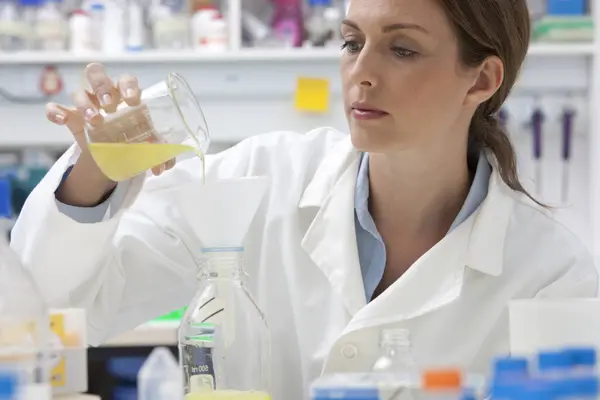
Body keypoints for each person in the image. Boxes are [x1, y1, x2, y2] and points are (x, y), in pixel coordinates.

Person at [11, 0, 598, 398]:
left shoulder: (551, 273)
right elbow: (56, 312)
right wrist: (95, 170)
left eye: (402, 50)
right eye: (350, 42)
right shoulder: (260, 180)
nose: (360, 74)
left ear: (481, 80)